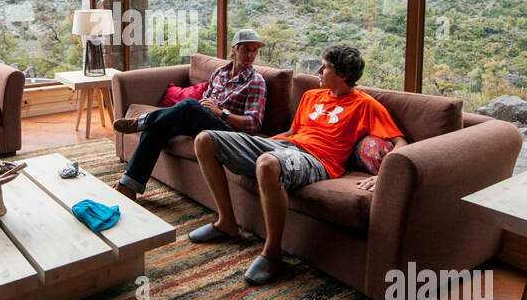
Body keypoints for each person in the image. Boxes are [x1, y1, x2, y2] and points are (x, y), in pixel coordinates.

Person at [189, 44, 408, 285]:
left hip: (318, 161)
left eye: (325, 67)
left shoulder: (365, 105)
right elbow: (292, 132)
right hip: (285, 147)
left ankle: (273, 253)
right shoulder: (311, 96)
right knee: (205, 139)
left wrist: (384, 175)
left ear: (344, 75)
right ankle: (226, 223)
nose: (319, 70)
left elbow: (401, 143)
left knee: (268, 165)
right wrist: (254, 143)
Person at [113, 28, 268, 201]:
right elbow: (206, 100)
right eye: (246, 49)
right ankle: (128, 186)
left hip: (228, 134)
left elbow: (254, 123)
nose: (251, 55)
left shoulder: (256, 81)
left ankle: (142, 121)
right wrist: (207, 109)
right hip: (203, 122)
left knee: (189, 105)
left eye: (254, 50)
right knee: (158, 127)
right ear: (234, 49)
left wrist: (221, 113)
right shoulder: (220, 73)